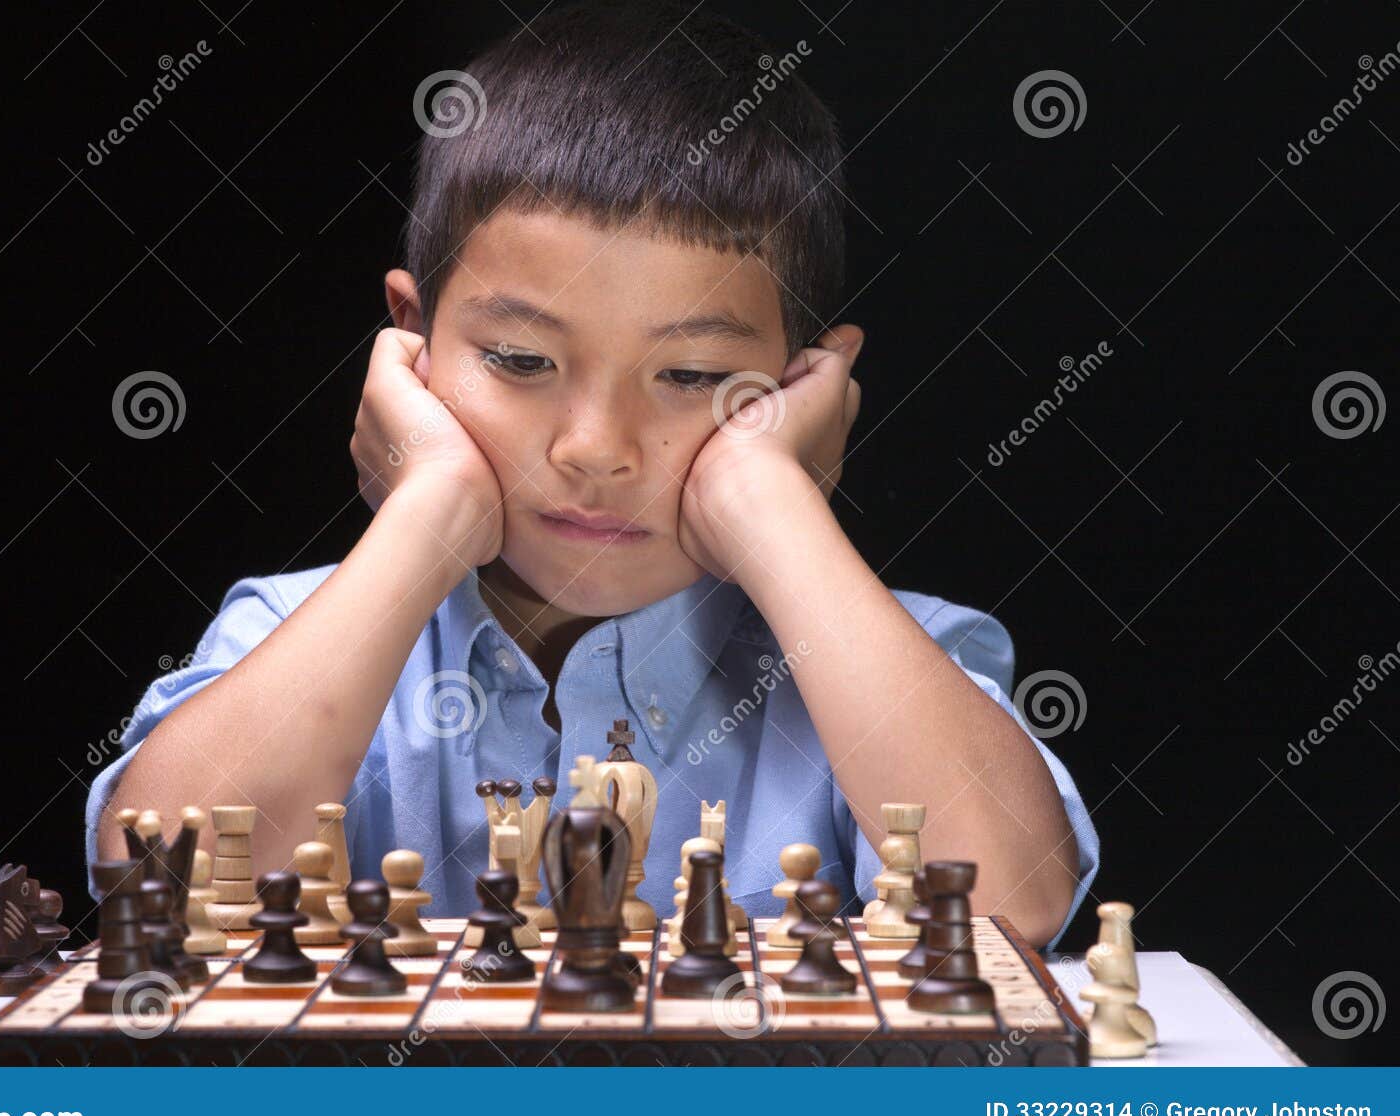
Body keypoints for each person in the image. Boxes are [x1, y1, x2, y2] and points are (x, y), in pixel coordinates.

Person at [87, 0, 1098, 949]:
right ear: (412, 344)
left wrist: (772, 506)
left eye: (692, 374)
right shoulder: (287, 633)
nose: (595, 446)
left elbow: (1011, 905)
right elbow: (160, 892)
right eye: (522, 361)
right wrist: (425, 512)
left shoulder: (890, 656)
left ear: (800, 388)